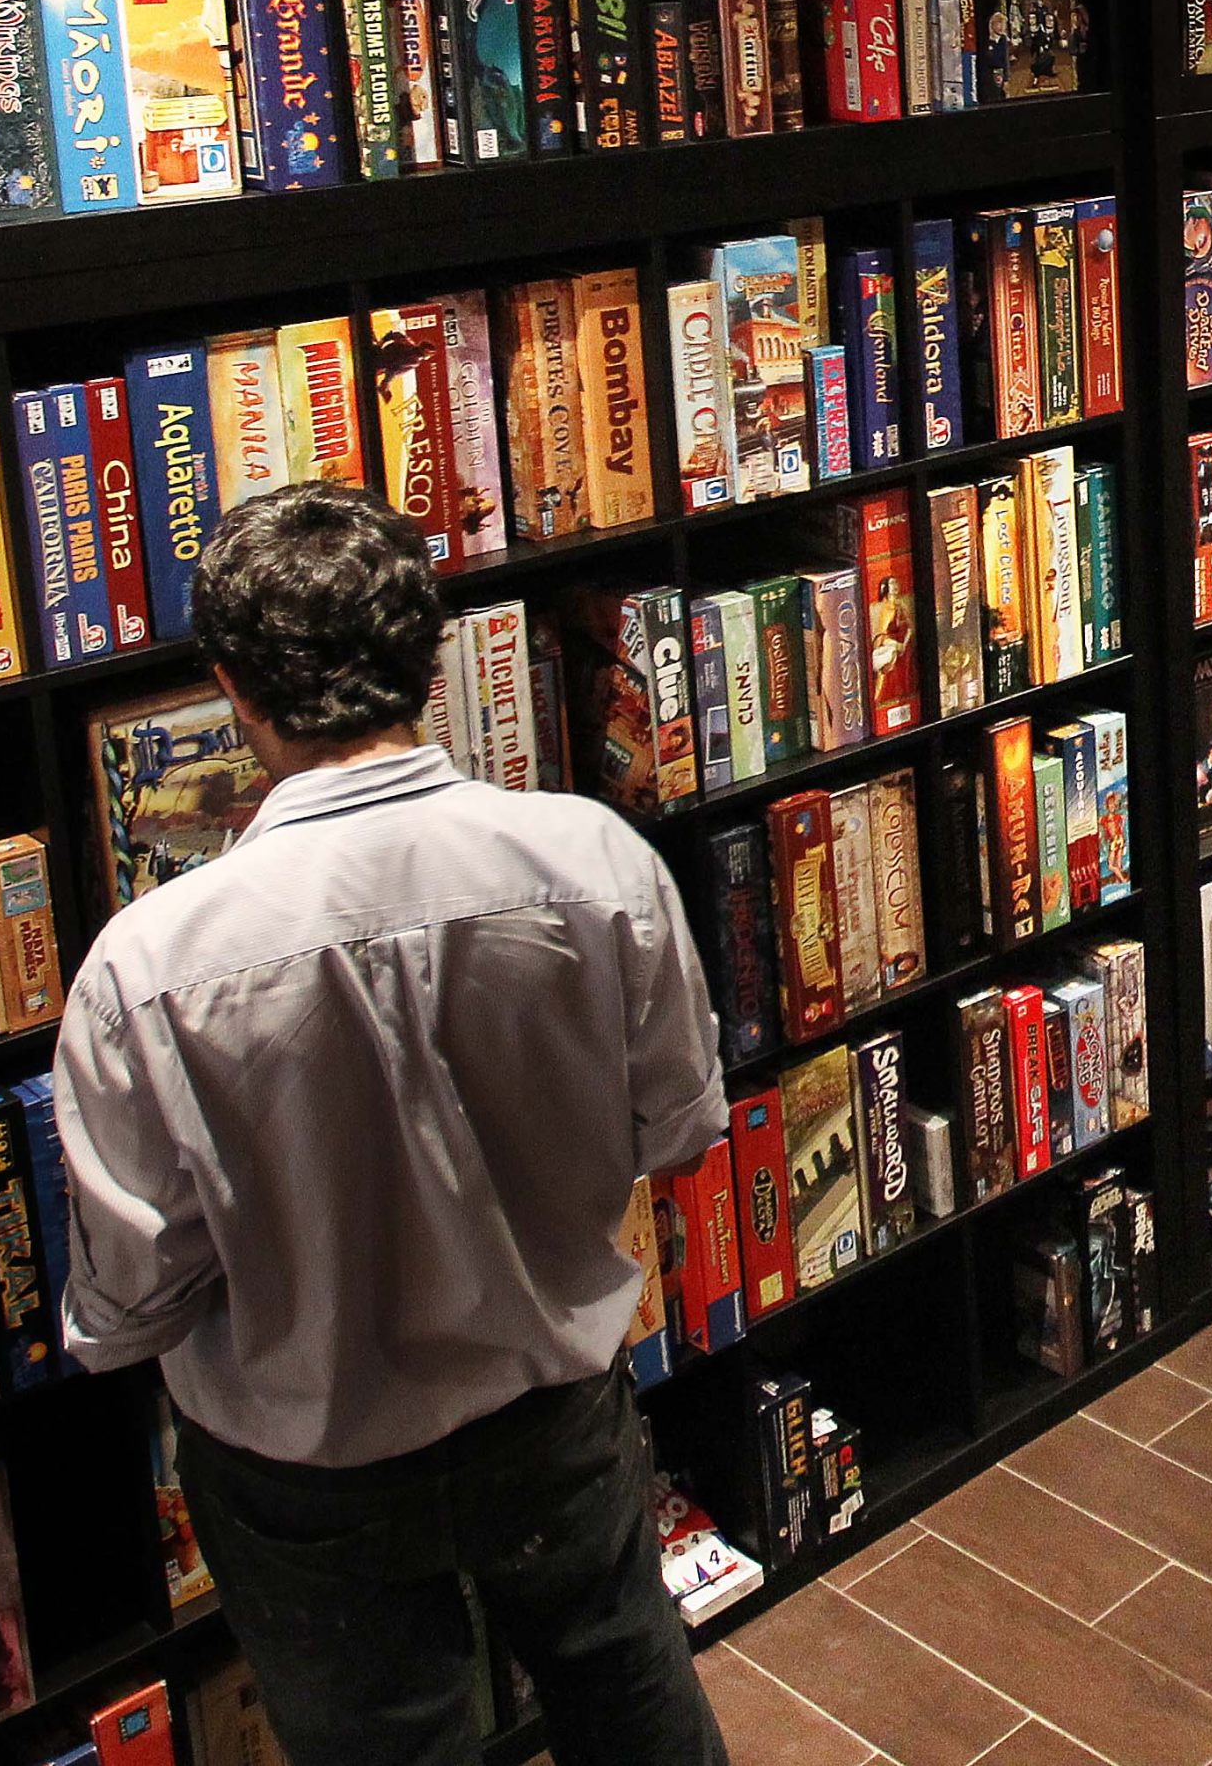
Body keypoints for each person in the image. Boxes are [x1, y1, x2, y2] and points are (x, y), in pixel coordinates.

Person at [53, 485, 731, 1766]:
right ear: (429, 654)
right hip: (551, 1410)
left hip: (305, 1467)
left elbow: (130, 1304)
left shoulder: (143, 969)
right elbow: (680, 1126)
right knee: (630, 1699)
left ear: (231, 687)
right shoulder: (594, 860)